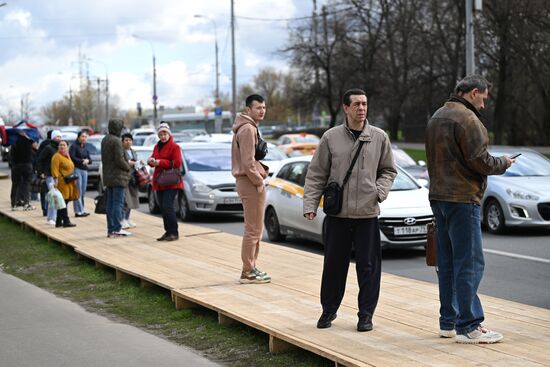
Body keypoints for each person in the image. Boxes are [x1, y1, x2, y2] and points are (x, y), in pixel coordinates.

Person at [425, 75, 513, 344]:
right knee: (470, 263)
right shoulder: (468, 119)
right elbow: (481, 161)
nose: (484, 105)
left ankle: (448, 322)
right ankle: (469, 326)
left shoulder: (436, 117)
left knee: (448, 263)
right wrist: (504, 163)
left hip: (439, 198)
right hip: (463, 199)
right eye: (483, 98)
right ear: (474, 92)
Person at [303, 88, 397, 331]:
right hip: (338, 215)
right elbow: (316, 174)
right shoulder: (330, 138)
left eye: (364, 104)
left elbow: (388, 170)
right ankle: (328, 310)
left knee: (368, 268)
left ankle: (366, 315)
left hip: (367, 214)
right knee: (334, 266)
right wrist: (310, 205)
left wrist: (379, 192)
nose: (361, 108)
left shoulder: (378, 137)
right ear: (345, 108)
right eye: (356, 104)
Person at [231, 94, 271, 284]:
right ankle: (248, 271)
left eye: (264, 107)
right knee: (253, 229)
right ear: (248, 110)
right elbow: (247, 162)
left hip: (248, 181)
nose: (262, 110)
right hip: (249, 182)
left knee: (255, 228)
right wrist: (258, 181)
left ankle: (251, 267)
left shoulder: (247, 127)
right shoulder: (247, 129)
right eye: (258, 108)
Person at [147, 122, 183, 241]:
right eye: (161, 134)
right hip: (160, 181)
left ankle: (174, 232)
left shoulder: (175, 147)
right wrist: (151, 161)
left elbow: (177, 163)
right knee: (163, 207)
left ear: (169, 134)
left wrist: (160, 162)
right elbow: (153, 160)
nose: (163, 136)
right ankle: (168, 231)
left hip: (172, 181)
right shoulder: (157, 146)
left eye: (165, 134)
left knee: (168, 206)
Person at [101, 119, 132, 238]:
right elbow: (119, 159)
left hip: (108, 176)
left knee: (110, 204)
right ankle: (117, 228)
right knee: (118, 204)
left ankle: (110, 229)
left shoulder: (105, 139)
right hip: (118, 176)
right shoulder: (117, 141)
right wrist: (128, 167)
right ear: (118, 128)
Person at [36, 130, 62, 224]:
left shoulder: (61, 148)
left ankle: (54, 217)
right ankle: (51, 218)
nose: (58, 138)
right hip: (49, 174)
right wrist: (41, 172)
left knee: (57, 196)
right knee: (53, 195)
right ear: (53, 137)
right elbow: (39, 160)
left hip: (59, 175)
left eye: (60, 137)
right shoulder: (48, 148)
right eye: (57, 137)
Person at [50, 140, 78, 228]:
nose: (62, 147)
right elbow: (54, 168)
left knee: (63, 201)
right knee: (63, 201)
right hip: (61, 182)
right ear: (58, 147)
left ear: (67, 147)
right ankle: (66, 221)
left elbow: (71, 167)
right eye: (60, 145)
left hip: (69, 181)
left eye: (64, 145)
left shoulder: (67, 155)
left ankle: (58, 221)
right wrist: (55, 179)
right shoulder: (56, 156)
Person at [9, 131, 38, 211]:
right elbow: (35, 142)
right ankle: (26, 204)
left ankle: (13, 204)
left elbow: (11, 155)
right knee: (26, 185)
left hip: (16, 166)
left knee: (15, 185)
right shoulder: (29, 141)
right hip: (27, 165)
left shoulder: (14, 142)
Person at [69, 130, 92, 218]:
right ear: (78, 137)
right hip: (77, 169)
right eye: (82, 136)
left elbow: (90, 159)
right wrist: (82, 161)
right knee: (78, 190)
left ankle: (81, 209)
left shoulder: (85, 147)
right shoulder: (74, 146)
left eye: (85, 137)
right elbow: (72, 157)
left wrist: (88, 161)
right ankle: (78, 211)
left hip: (84, 170)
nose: (84, 138)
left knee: (83, 190)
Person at [121, 133, 139, 229]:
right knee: (125, 200)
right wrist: (132, 163)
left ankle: (127, 218)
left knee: (132, 198)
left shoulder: (134, 151)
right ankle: (122, 219)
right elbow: (123, 163)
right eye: (126, 140)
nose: (128, 142)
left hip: (133, 178)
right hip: (124, 178)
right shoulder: (121, 152)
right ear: (122, 141)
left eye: (130, 140)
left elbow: (136, 163)